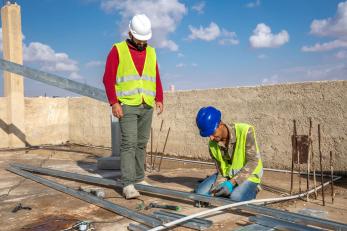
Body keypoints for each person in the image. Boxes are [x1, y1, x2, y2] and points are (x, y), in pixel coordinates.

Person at [103, 14, 163, 199]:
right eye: (139, 38)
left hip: (147, 104)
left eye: (145, 39)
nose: (142, 42)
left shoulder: (151, 52)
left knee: (141, 143)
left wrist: (159, 97)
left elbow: (156, 76)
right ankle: (128, 183)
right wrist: (114, 102)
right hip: (127, 104)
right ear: (130, 33)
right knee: (128, 143)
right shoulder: (118, 50)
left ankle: (138, 177)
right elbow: (108, 78)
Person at [195, 106, 263, 203]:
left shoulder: (245, 131)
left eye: (212, 132)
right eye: (207, 135)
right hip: (228, 175)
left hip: (249, 175)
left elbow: (253, 161)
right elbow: (221, 170)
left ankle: (254, 189)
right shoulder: (212, 144)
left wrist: (231, 183)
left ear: (220, 124)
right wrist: (215, 190)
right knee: (201, 194)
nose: (211, 138)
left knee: (236, 197)